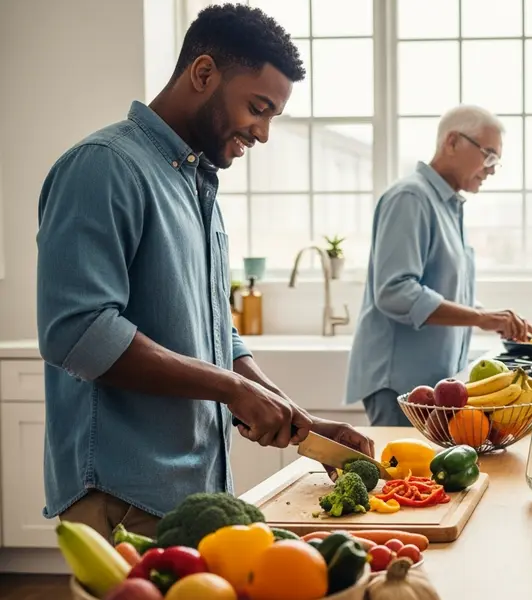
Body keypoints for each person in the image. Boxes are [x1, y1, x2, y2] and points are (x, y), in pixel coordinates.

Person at [36, 4, 374, 540]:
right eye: (258, 108)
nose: (263, 132)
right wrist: (233, 390)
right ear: (203, 73)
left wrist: (295, 416)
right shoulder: (104, 165)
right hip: (124, 495)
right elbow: (80, 333)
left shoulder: (197, 184)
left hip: (194, 489)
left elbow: (216, 332)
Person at [346, 105, 532, 427]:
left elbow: (443, 289)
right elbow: (395, 292)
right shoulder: (410, 198)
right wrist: (481, 318)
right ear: (452, 142)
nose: (491, 170)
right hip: (400, 385)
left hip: (428, 385)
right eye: (488, 155)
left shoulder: (446, 205)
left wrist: (493, 319)